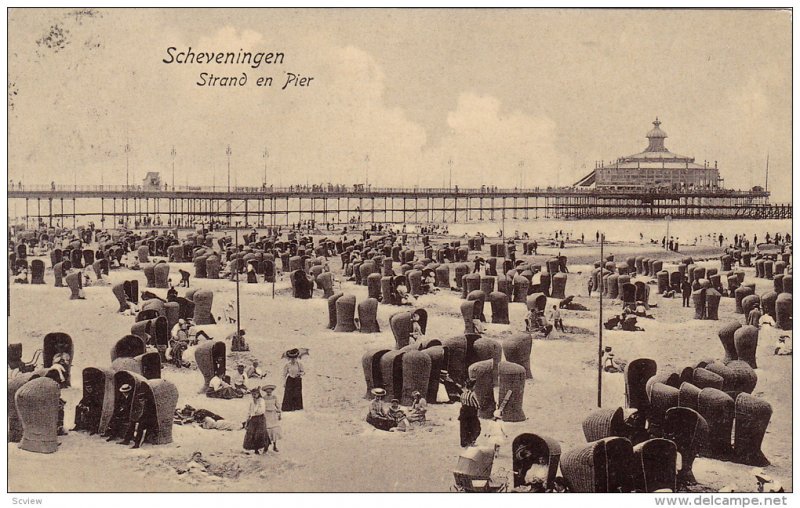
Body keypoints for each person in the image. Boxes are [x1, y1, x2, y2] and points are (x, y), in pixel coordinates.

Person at [243, 388, 270, 455]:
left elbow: (262, 410)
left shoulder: (261, 400)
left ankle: (266, 446)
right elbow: (249, 411)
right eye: (252, 394)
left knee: (260, 433)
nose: (254, 396)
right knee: (252, 433)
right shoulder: (252, 401)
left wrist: (254, 412)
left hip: (260, 418)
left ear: (258, 394)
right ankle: (256, 449)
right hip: (253, 419)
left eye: (255, 394)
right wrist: (247, 420)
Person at [458, 379, 481, 447]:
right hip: (471, 413)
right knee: (476, 428)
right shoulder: (472, 395)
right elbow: (477, 405)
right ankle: (471, 441)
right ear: (472, 386)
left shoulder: (462, 394)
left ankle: (464, 442)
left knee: (464, 428)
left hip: (463, 412)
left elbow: (462, 403)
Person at [262, 385, 282, 452]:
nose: (269, 393)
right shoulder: (263, 398)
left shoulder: (274, 397)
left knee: (274, 430)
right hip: (266, 415)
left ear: (272, 391)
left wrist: (279, 414)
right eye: (267, 391)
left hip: (273, 415)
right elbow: (262, 407)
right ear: (265, 391)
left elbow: (278, 406)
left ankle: (275, 446)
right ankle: (266, 446)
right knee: (267, 430)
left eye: (270, 391)